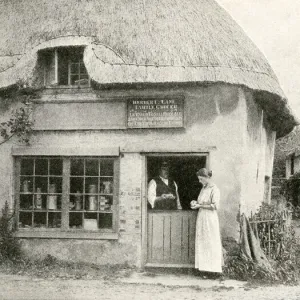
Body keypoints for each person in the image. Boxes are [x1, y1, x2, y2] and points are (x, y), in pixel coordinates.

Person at [191, 168, 222, 274]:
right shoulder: (204, 188)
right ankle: (204, 269)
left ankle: (213, 270)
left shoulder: (214, 189)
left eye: (201, 179)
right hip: (202, 217)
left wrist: (200, 205)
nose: (199, 181)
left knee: (210, 241)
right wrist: (195, 203)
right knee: (202, 242)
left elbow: (215, 206)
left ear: (206, 178)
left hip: (210, 218)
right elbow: (201, 201)